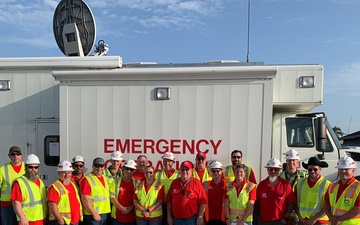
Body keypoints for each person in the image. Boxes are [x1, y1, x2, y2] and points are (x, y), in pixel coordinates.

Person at [256, 158, 296, 225]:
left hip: (280, 221)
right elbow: (256, 202)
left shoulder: (286, 185)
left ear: (279, 170)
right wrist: (258, 217)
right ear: (267, 170)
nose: (273, 171)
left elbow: (291, 203)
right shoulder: (261, 185)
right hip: (263, 222)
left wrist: (286, 218)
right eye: (270, 169)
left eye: (276, 169)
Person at [166, 160, 207, 225]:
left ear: (191, 171)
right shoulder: (174, 183)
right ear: (180, 170)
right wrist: (169, 216)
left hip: (192, 220)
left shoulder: (197, 183)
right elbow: (169, 201)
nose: (184, 172)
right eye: (182, 169)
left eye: (187, 169)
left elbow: (203, 202)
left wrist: (200, 216)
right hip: (177, 220)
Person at [10, 154, 47, 225]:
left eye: (36, 167)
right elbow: (15, 202)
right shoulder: (19, 183)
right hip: (28, 221)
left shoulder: (40, 181)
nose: (33, 169)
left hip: (41, 219)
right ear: (25, 167)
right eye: (30, 167)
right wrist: (22, 218)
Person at [324, 156, 360, 225]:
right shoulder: (332, 186)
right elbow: (326, 205)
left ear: (353, 170)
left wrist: (338, 220)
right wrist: (331, 218)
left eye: (346, 169)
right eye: (341, 169)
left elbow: (358, 209)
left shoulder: (358, 187)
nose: (343, 171)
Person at [295, 157, 331, 225]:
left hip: (320, 221)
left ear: (320, 169)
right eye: (310, 169)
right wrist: (300, 218)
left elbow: (329, 206)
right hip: (302, 221)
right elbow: (295, 203)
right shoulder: (300, 184)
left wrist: (314, 219)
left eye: (315, 169)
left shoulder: (327, 185)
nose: (312, 171)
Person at [47, 160, 82, 225]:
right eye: (64, 173)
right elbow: (52, 205)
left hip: (74, 221)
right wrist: (60, 219)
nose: (67, 175)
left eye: (69, 172)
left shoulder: (72, 184)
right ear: (59, 173)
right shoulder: (54, 187)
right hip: (62, 221)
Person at [80, 157, 111, 225]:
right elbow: (85, 198)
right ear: (93, 167)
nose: (99, 169)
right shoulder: (87, 179)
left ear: (104, 167)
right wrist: (94, 213)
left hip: (104, 213)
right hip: (93, 215)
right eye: (97, 166)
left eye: (101, 166)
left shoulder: (104, 177)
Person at [0, 146, 25, 225]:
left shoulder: (27, 168)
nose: (15, 156)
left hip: (23, 204)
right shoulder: (3, 169)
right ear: (9, 155)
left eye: (18, 154)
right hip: (7, 205)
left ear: (21, 155)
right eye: (13, 154)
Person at [110, 159, 138, 225]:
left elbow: (139, 199)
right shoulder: (116, 182)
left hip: (132, 217)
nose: (128, 171)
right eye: (127, 169)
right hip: (117, 217)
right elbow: (112, 197)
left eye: (131, 169)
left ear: (134, 171)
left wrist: (129, 208)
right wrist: (122, 209)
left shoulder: (137, 183)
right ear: (123, 169)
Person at [154, 152, 179, 225]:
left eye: (169, 161)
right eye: (165, 161)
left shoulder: (178, 174)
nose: (167, 163)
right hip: (159, 205)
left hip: (173, 206)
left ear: (173, 162)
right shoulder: (157, 174)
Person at [203, 161, 226, 225]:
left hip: (223, 219)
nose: (216, 173)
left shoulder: (226, 184)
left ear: (222, 172)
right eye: (213, 171)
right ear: (210, 172)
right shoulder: (205, 184)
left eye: (218, 171)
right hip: (209, 218)